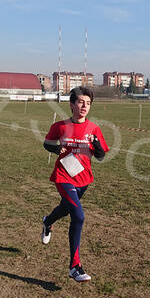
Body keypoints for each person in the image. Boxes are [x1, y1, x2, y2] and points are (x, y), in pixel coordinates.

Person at [40, 87, 109, 283]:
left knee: (65, 209)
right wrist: (56, 148)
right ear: (71, 105)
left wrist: (96, 145)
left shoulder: (94, 129)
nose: (84, 106)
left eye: (88, 103)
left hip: (83, 179)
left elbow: (101, 155)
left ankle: (47, 221)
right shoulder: (60, 126)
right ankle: (74, 266)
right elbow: (46, 143)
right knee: (78, 216)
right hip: (63, 176)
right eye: (80, 102)